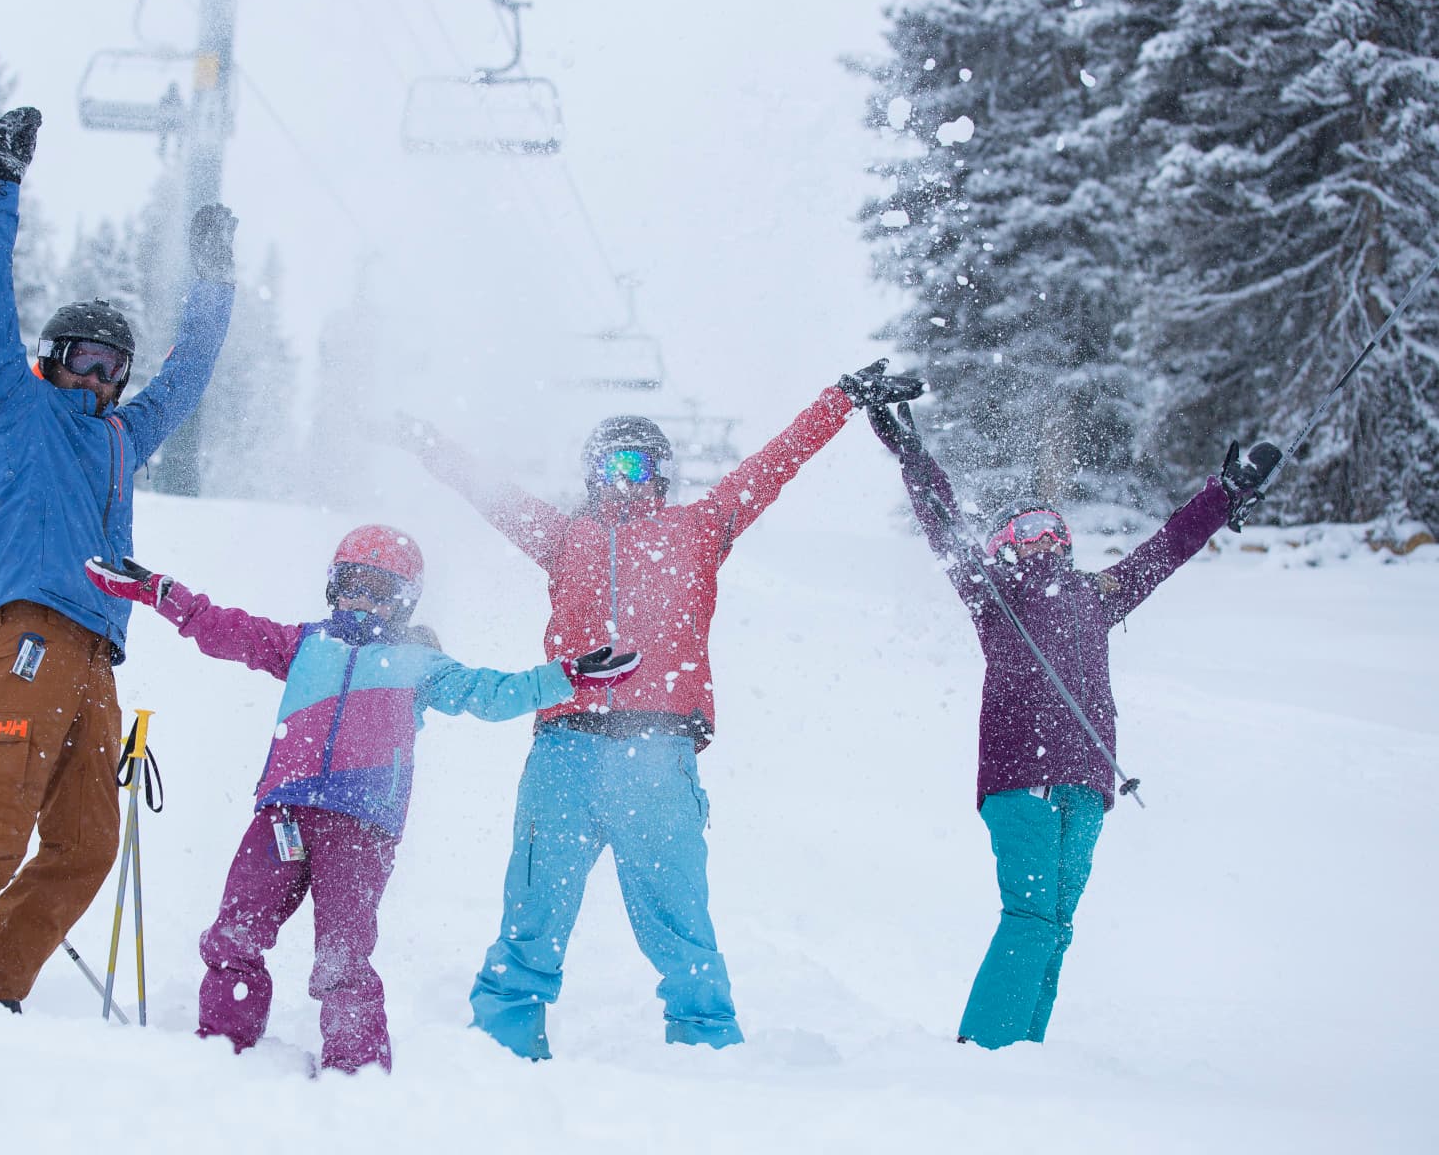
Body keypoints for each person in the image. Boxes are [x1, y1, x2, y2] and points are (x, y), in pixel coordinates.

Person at [388, 360, 927, 1059]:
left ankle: (707, 1049)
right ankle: (502, 1045)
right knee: (532, 915)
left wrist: (841, 400)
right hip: (565, 755)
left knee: (681, 924)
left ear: (663, 474)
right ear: (588, 476)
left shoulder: (699, 531)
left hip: (657, 758)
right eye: (609, 465)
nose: (623, 478)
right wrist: (429, 445)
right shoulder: (565, 540)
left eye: (638, 464)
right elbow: (493, 496)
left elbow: (773, 465)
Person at [0, 106, 239, 1007]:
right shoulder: (17, 406)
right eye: (83, 358)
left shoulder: (124, 436)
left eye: (114, 367)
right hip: (29, 634)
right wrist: (0, 187)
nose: (101, 378)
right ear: (50, 358)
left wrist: (215, 281)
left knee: (85, 846)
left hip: (96, 658)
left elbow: (188, 373)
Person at [84, 526, 638, 1072]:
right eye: (354, 584)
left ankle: (356, 1072)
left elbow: (490, 693)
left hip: (362, 826)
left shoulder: (420, 665)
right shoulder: (303, 644)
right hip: (285, 812)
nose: (363, 600)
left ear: (405, 601)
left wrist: (567, 676)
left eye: (382, 590)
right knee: (236, 930)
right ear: (333, 586)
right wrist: (161, 591)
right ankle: (223, 1048)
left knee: (343, 957)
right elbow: (224, 628)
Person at [867, 402, 1280, 1049]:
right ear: (1004, 545)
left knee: (1056, 926)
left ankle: (1023, 1056)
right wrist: (912, 454)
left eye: (1054, 524)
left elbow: (1164, 549)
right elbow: (943, 524)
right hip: (1020, 781)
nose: (1047, 534)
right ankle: (982, 1052)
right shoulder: (994, 597)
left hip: (1086, 786)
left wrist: (1222, 498)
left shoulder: (1098, 593)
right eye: (1028, 525)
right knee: (1030, 919)